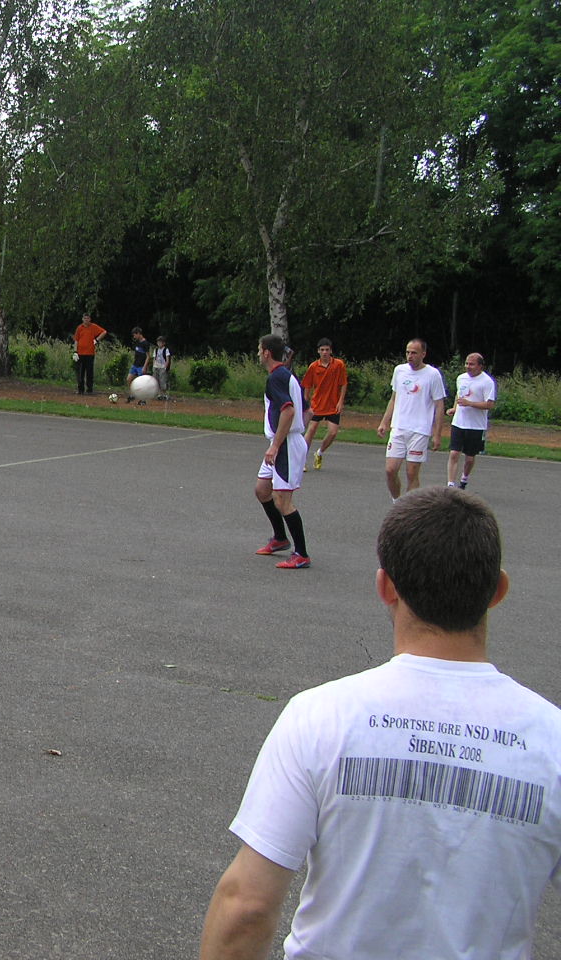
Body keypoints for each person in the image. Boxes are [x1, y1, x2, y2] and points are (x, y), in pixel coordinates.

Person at [199, 486, 561, 960]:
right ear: (498, 591)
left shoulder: (320, 717)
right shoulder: (550, 739)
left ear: (385, 587)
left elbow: (247, 906)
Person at [253, 334, 310, 569]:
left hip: (284, 444)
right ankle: (279, 538)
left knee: (282, 500)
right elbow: (308, 410)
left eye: (259, 349)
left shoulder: (276, 377)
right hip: (283, 441)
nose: (258, 353)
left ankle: (301, 554)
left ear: (267, 352)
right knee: (262, 489)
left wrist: (278, 445)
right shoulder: (287, 375)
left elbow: (289, 411)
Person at [377, 338, 446, 501]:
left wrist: (437, 434)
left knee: (411, 472)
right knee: (390, 470)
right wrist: (384, 422)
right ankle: (397, 503)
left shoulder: (432, 375)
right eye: (408, 352)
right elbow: (394, 398)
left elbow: (439, 406)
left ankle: (410, 508)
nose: (410, 356)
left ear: (423, 354)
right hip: (399, 427)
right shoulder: (399, 371)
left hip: (419, 430)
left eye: (414, 353)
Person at [447, 352, 497, 491]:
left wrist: (470, 403)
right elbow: (459, 395)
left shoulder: (487, 382)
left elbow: (489, 404)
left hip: (476, 426)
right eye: (466, 363)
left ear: (480, 366)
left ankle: (464, 479)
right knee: (454, 453)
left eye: (472, 364)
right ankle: (450, 485)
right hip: (458, 423)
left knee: (469, 458)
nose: (468, 367)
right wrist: (455, 408)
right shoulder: (461, 378)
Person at [302, 338, 348, 470]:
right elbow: (307, 385)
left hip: (333, 405)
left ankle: (319, 453)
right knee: (311, 430)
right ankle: (302, 460)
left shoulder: (338, 365)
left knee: (333, 432)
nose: (325, 352)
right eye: (322, 350)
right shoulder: (313, 366)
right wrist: (306, 403)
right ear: (318, 351)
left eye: (327, 350)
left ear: (331, 351)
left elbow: (343, 383)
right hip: (317, 404)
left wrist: (340, 401)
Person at [72, 313, 108, 394]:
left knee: (89, 372)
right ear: (82, 319)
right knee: (80, 372)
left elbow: (104, 332)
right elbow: (76, 340)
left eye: (87, 318)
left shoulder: (93, 327)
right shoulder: (79, 328)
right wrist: (75, 351)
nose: (86, 320)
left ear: (90, 319)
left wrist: (97, 340)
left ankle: (89, 389)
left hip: (90, 353)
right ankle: (80, 389)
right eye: (85, 318)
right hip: (80, 353)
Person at [125, 327, 151, 403]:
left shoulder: (145, 343)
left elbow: (148, 356)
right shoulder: (137, 342)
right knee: (129, 379)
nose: (134, 337)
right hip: (135, 365)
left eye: (135, 335)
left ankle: (143, 399)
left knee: (141, 383)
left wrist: (144, 367)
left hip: (141, 366)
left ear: (139, 334)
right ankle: (133, 394)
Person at [150, 335, 173, 400]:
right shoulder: (156, 350)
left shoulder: (166, 350)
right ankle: (159, 394)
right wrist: (154, 366)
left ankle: (165, 394)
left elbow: (167, 359)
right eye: (158, 342)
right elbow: (154, 358)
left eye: (160, 342)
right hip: (156, 366)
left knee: (163, 381)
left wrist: (165, 367)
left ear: (163, 343)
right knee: (156, 380)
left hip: (162, 367)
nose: (159, 343)